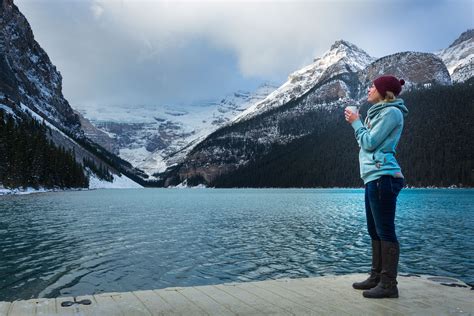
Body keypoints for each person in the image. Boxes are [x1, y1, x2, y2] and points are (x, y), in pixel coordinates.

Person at [344, 75, 408, 299]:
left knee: (385, 230)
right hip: (374, 177)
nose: (369, 89)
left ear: (384, 92)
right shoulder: (379, 113)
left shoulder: (391, 112)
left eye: (373, 86)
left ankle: (389, 284)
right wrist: (359, 123)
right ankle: (377, 277)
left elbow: (369, 142)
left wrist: (356, 123)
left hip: (384, 177)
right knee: (375, 230)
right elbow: (368, 142)